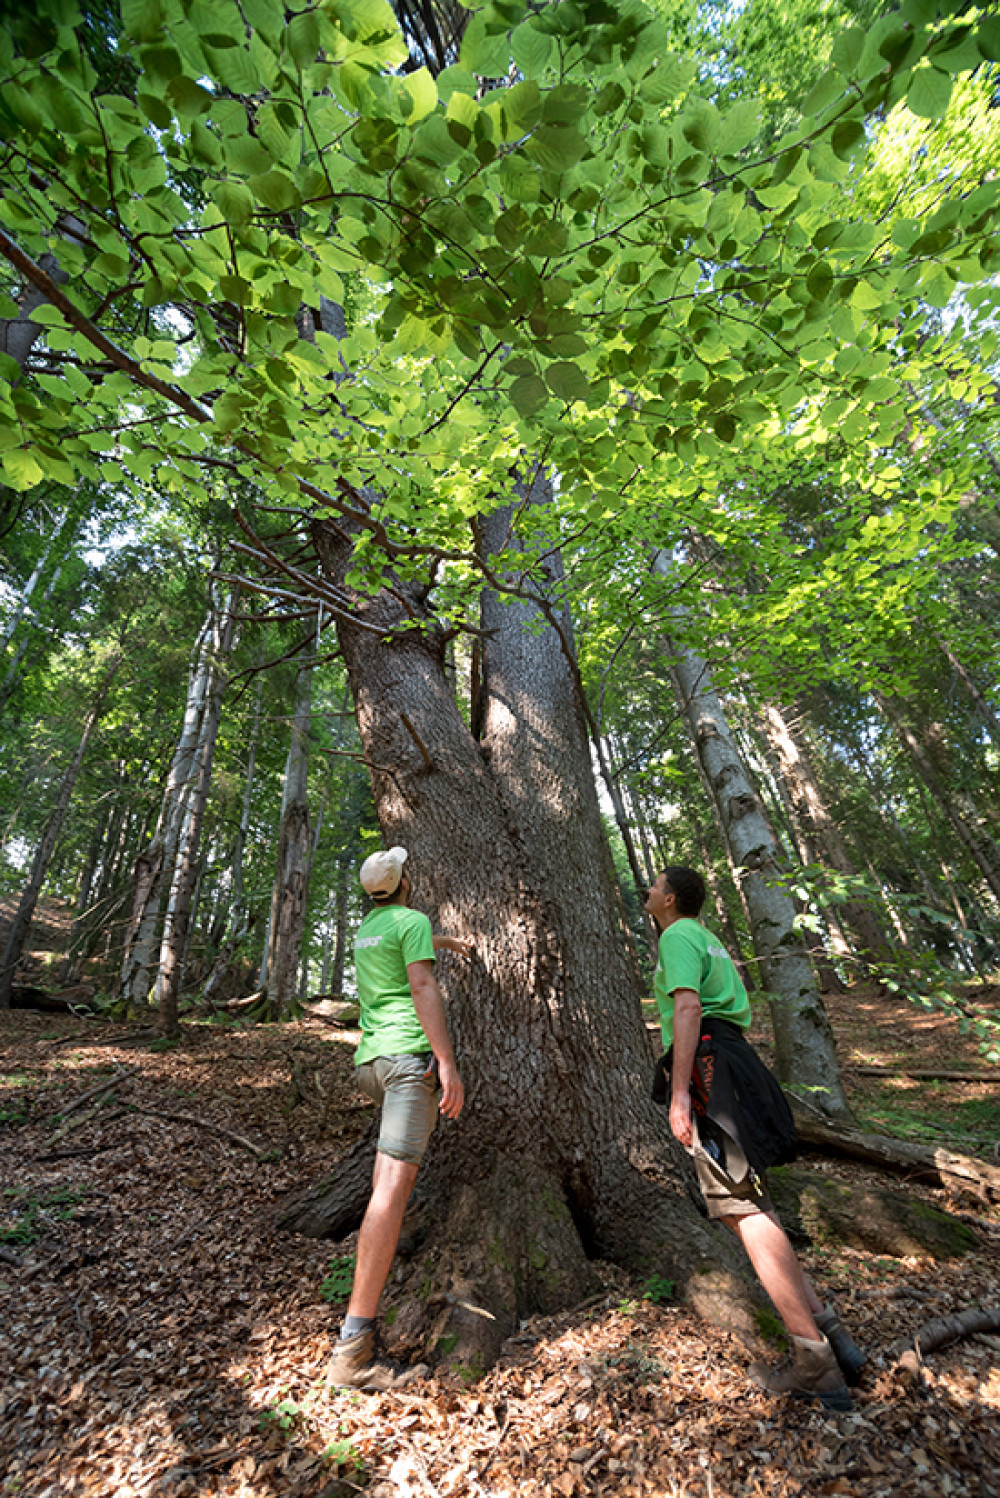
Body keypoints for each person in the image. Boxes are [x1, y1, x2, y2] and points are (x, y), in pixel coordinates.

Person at [646, 865, 865, 1412]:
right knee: (755, 1201)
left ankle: (814, 1361)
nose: (646, 892)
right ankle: (836, 1340)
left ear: (670, 899)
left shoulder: (675, 935)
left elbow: (689, 1007)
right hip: (736, 1061)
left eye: (653, 886)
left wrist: (679, 1093)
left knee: (743, 1209)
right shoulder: (707, 937)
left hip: (712, 1069)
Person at [325, 845, 468, 1389]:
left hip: (372, 1065)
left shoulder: (370, 928)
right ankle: (352, 1352)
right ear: (406, 882)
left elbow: (401, 945)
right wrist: (448, 1063)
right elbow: (422, 984)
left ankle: (358, 1332)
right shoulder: (411, 919)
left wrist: (443, 941)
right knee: (387, 1195)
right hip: (411, 1064)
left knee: (388, 1189)